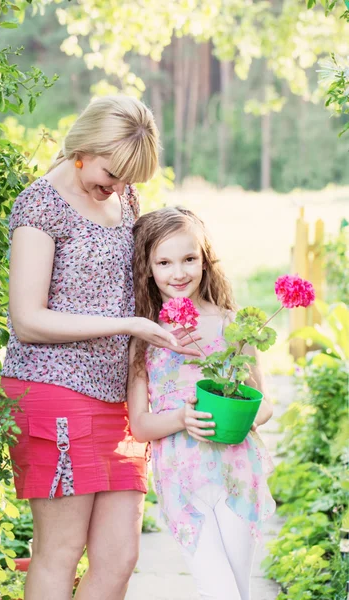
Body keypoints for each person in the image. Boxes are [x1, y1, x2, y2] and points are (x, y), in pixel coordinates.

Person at [0, 96, 200, 600]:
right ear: (83, 148)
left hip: (119, 400)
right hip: (54, 388)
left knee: (119, 557)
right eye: (111, 174)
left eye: (127, 180)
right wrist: (128, 323)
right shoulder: (39, 206)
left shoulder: (123, 197)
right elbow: (27, 319)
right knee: (60, 551)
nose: (116, 188)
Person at [128, 207, 276, 600]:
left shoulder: (233, 325)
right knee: (218, 589)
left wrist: (242, 417)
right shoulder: (144, 335)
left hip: (237, 472)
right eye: (164, 262)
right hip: (182, 478)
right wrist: (181, 417)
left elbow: (262, 402)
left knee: (238, 590)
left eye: (189, 259)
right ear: (147, 268)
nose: (179, 273)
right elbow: (140, 425)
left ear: (205, 261)